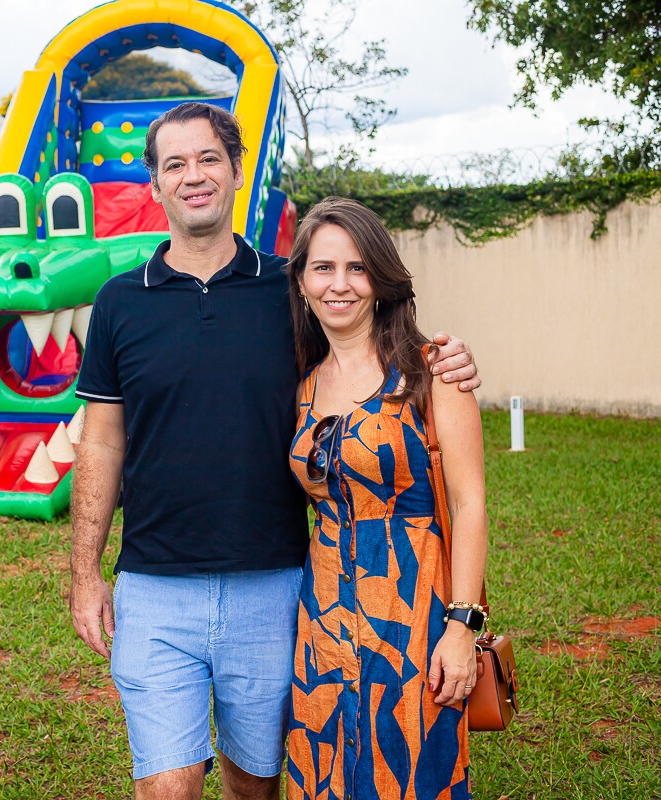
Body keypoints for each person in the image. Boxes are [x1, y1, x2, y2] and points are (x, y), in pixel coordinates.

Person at [68, 102, 479, 800]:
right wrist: (85, 572)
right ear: (155, 185)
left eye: (207, 160)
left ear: (235, 172)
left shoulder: (288, 289)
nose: (192, 176)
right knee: (167, 784)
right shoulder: (118, 302)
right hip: (156, 585)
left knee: (257, 781)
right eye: (175, 164)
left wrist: (448, 358)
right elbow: (101, 442)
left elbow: (366, 352)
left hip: (280, 583)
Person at [285, 197, 488, 799]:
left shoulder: (432, 373)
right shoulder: (299, 384)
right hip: (319, 623)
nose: (339, 284)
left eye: (356, 267)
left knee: (408, 774)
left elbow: (470, 503)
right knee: (325, 774)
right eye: (323, 268)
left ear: (381, 278)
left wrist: (461, 627)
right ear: (300, 282)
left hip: (413, 618)